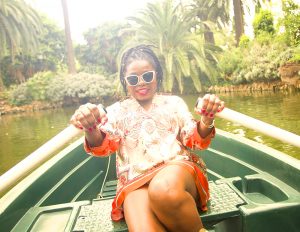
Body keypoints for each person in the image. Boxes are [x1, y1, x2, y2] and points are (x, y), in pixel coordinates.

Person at [70, 45, 224, 232]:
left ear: (157, 75)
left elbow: (194, 139)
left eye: (147, 76)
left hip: (176, 170)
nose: (141, 83)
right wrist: (90, 126)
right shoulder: (115, 112)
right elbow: (102, 146)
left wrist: (207, 118)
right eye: (133, 79)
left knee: (163, 190)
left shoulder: (174, 103)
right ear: (125, 82)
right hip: (135, 182)